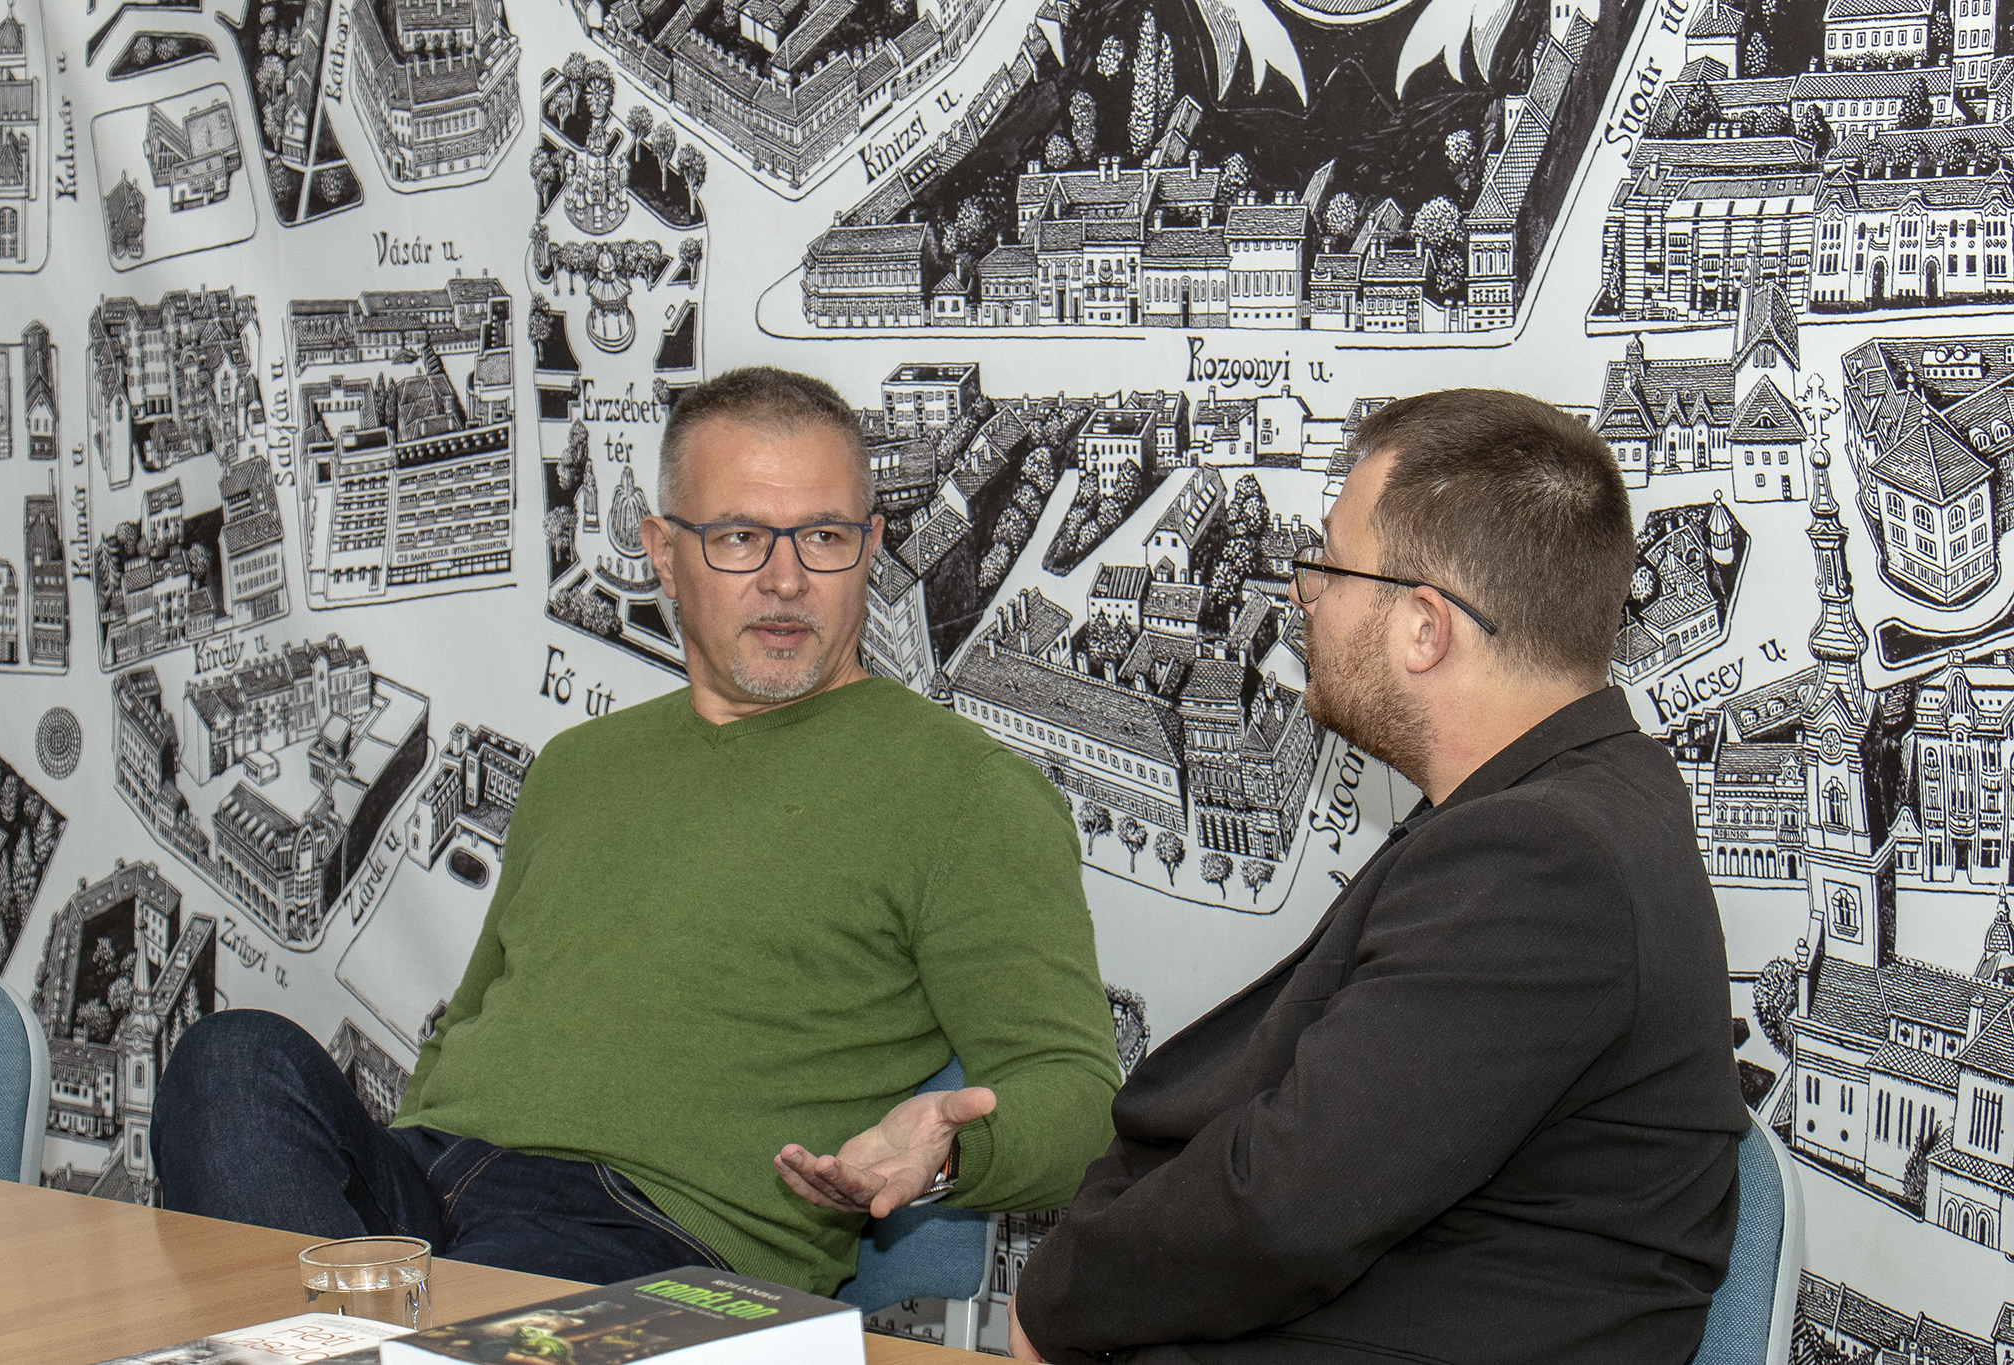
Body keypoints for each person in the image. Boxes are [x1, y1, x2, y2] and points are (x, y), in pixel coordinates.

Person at [155, 366, 1121, 1294]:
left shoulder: (968, 792)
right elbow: (473, 1019)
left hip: (650, 1235)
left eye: (823, 536)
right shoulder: (577, 764)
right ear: (662, 552)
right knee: (229, 1063)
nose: (786, 579)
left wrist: (948, 1152)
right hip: (425, 1178)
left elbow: (1078, 1092)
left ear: (869, 546)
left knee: (418, 1309)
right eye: (740, 537)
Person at [1010, 389, 1748, 1365]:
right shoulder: (1575, 807)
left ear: (1424, 628)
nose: (1302, 594)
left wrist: (1056, 1299)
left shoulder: (1545, 860)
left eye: (1328, 563)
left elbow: (1280, 1206)